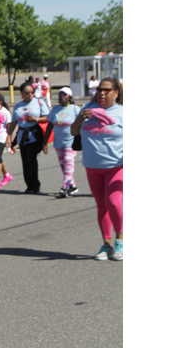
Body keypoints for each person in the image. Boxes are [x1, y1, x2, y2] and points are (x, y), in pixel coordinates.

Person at [71, 78, 123, 261]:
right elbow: (74, 132)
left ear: (116, 93)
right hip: (92, 166)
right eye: (99, 89)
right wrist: (79, 118)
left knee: (114, 202)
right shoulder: (87, 108)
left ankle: (121, 241)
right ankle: (106, 244)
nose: (101, 93)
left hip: (116, 166)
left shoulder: (123, 112)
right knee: (102, 206)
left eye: (107, 90)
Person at [6, 82, 50, 194]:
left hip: (34, 134)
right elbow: (14, 122)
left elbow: (48, 117)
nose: (30, 94)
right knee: (25, 160)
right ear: (22, 94)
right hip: (22, 135)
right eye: (27, 92)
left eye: (32, 92)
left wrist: (36, 119)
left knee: (31, 158)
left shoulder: (39, 103)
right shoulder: (18, 106)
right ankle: (29, 185)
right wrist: (9, 137)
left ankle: (35, 184)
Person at [43, 87, 81, 198]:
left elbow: (82, 123)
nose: (62, 97)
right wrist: (45, 142)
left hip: (71, 142)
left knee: (68, 164)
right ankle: (73, 186)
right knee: (64, 167)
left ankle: (64, 187)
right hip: (58, 142)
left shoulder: (75, 109)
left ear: (69, 97)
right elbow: (49, 126)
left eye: (64, 95)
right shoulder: (55, 109)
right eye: (60, 95)